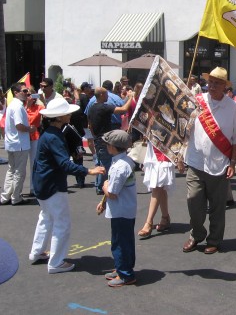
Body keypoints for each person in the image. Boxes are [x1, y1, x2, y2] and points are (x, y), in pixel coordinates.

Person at [29, 99, 104, 274]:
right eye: (67, 113)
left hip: (42, 182)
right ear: (60, 116)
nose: (70, 115)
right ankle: (56, 262)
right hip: (53, 184)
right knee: (61, 223)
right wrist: (88, 171)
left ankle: (37, 252)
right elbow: (64, 164)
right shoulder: (55, 136)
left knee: (46, 218)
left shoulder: (48, 133)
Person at [182, 67, 236, 254]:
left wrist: (233, 163)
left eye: (217, 82)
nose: (212, 85)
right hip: (195, 161)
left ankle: (214, 239)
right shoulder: (197, 101)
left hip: (219, 164)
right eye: (210, 81)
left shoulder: (232, 106)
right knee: (193, 200)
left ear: (225, 86)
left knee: (218, 207)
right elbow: (182, 127)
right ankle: (197, 234)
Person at [95, 130, 137, 287]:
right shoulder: (124, 161)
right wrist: (103, 201)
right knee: (124, 241)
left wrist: (104, 185)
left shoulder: (120, 167)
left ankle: (126, 274)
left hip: (121, 210)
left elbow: (112, 192)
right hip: (124, 209)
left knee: (120, 242)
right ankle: (122, 268)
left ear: (112, 147)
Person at [88, 87, 134, 195]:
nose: (108, 96)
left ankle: (99, 185)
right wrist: (131, 98)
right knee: (106, 164)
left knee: (100, 162)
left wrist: (95, 135)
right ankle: (102, 187)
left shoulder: (92, 108)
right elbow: (123, 110)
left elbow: (89, 125)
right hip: (104, 139)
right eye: (106, 94)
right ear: (101, 95)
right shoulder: (104, 108)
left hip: (98, 138)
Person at [1, 83, 35, 205]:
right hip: (19, 143)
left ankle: (6, 196)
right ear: (16, 93)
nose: (27, 94)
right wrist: (30, 129)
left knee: (12, 170)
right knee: (19, 172)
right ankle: (16, 197)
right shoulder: (17, 106)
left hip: (12, 143)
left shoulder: (14, 105)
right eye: (24, 91)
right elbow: (19, 125)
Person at [137, 140, 175, 239]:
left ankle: (148, 222)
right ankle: (165, 217)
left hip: (165, 145)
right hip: (154, 145)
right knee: (160, 186)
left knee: (157, 186)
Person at [25, 88, 43, 196]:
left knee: (34, 163)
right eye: (27, 94)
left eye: (31, 94)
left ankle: (33, 187)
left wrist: (43, 99)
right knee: (20, 165)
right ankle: (17, 189)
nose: (29, 96)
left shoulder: (39, 107)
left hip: (34, 136)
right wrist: (27, 105)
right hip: (23, 137)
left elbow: (47, 112)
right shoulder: (22, 108)